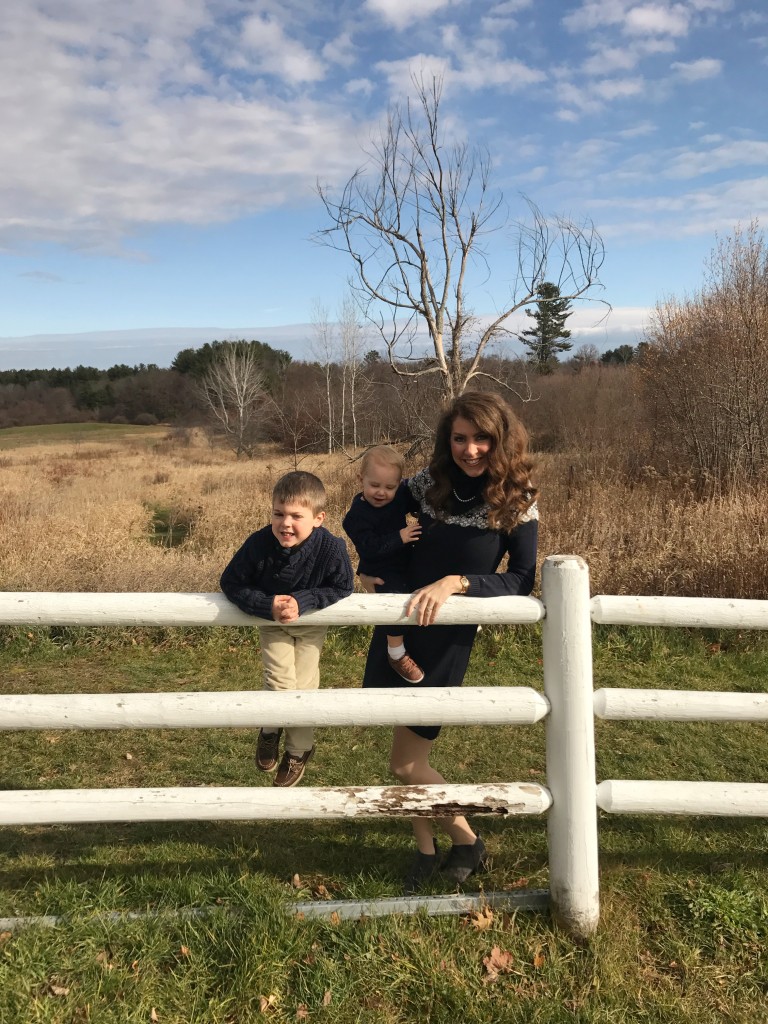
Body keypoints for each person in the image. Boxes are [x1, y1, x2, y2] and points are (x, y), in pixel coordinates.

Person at [360, 392, 539, 893]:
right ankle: (425, 850)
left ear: (500, 439)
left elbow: (522, 579)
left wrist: (458, 581)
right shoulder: (423, 485)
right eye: (460, 438)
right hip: (396, 622)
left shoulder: (517, 498)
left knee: (406, 760)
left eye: (482, 438)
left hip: (446, 634)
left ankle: (466, 841)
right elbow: (375, 527)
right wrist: (366, 569)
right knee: (402, 754)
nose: (470, 449)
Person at [220, 471, 354, 787]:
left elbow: (343, 586)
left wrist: (303, 600)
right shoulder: (259, 543)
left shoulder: (332, 548)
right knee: (280, 682)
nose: (285, 523)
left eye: (296, 516)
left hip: (310, 627)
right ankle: (270, 729)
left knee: (305, 691)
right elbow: (231, 582)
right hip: (273, 624)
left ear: (318, 518)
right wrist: (267, 606)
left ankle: (298, 751)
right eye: (278, 514)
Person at [342, 445, 424, 683]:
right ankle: (395, 652)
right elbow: (369, 548)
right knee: (393, 596)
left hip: (403, 559)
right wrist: (400, 536)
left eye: (390, 487)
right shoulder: (356, 516)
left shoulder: (398, 495)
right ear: (361, 479)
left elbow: (414, 498)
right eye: (374, 485)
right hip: (379, 568)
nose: (381, 493)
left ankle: (459, 618)